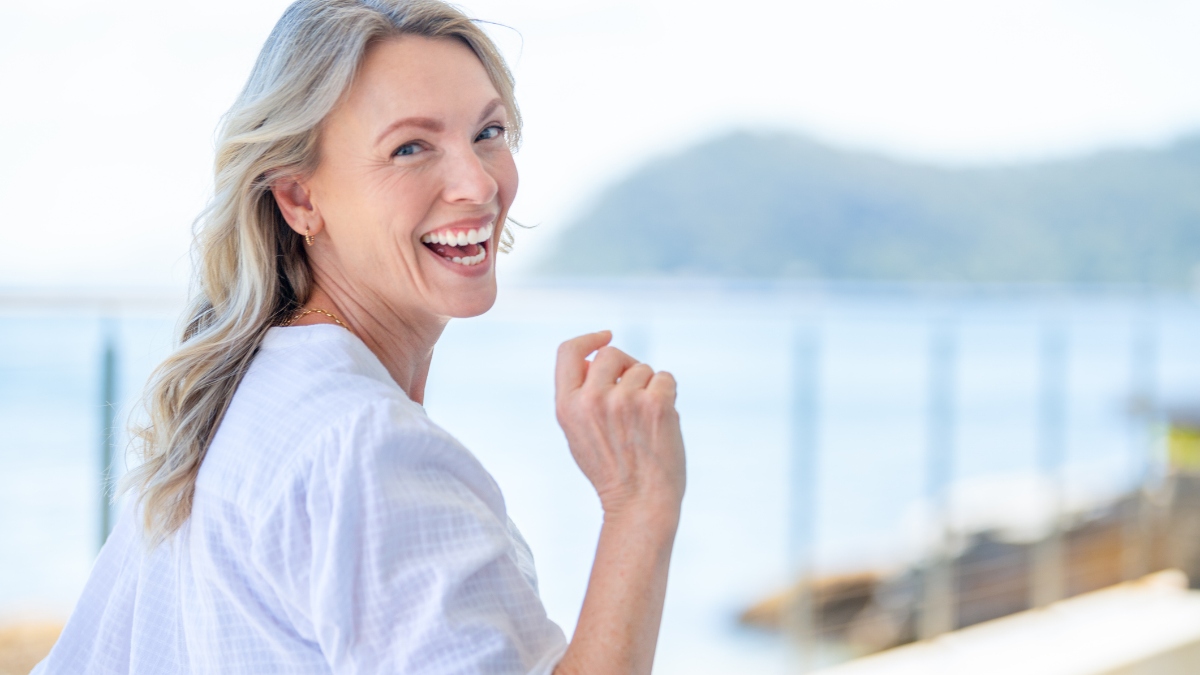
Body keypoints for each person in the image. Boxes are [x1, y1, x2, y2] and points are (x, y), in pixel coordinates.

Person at [32, 1, 686, 673]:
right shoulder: (367, 445)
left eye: (488, 131)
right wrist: (639, 502)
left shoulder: (242, 399)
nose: (479, 182)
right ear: (299, 200)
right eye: (410, 147)